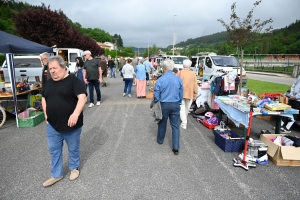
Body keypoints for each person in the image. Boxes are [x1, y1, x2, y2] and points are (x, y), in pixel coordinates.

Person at [41, 55, 87, 187]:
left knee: (73, 149)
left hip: (71, 125)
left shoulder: (74, 81)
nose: (53, 71)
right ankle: (57, 174)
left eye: (55, 68)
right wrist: (45, 115)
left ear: (63, 67)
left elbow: (82, 98)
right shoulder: (48, 83)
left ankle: (74, 168)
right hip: (53, 125)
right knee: (54, 151)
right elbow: (44, 98)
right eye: (50, 69)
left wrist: (75, 114)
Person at [154, 59, 183, 155]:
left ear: (164, 68)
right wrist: (179, 102)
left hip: (164, 104)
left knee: (162, 122)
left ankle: (160, 139)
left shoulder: (160, 79)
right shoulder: (178, 79)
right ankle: (176, 147)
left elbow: (156, 94)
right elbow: (181, 93)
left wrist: (156, 101)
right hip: (175, 104)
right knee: (175, 126)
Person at [179, 59, 198, 129]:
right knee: (186, 109)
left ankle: (184, 122)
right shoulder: (193, 74)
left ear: (183, 65)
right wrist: (195, 94)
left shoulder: (180, 73)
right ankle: (184, 121)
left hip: (181, 93)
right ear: (190, 66)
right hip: (190, 94)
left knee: (182, 108)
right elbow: (195, 86)